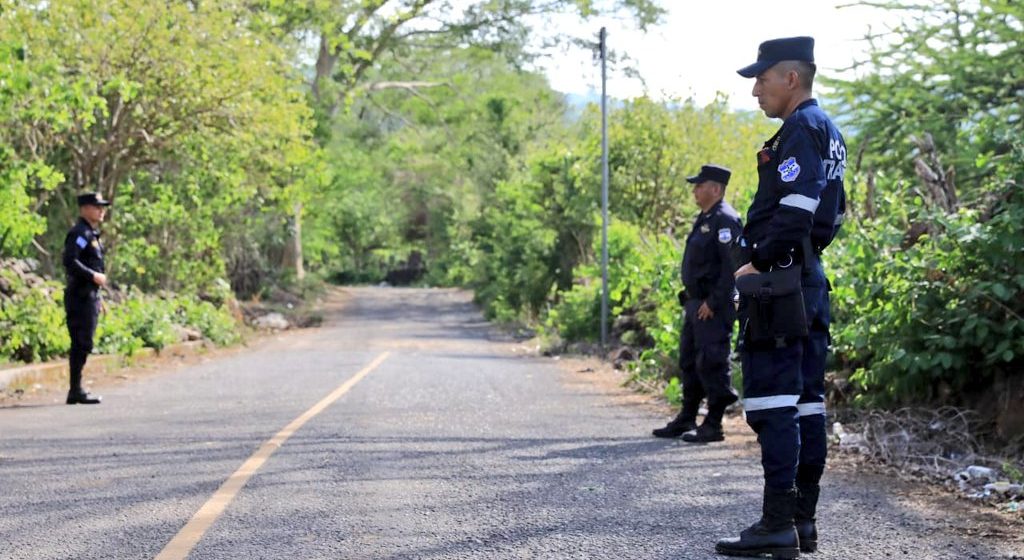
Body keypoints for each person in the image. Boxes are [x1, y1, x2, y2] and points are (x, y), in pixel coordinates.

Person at [716, 37, 846, 558]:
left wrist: (760, 264)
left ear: (791, 78)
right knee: (807, 404)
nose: (755, 91)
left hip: (782, 284)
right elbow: (831, 218)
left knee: (773, 403)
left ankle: (776, 525)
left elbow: (793, 212)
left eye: (762, 79)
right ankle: (801, 523)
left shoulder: (800, 129)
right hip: (808, 279)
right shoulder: (829, 131)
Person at [652, 164, 741, 443]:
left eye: (699, 185)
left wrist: (713, 302)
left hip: (711, 307)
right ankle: (687, 416)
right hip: (695, 305)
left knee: (712, 362)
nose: (694, 189)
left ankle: (714, 424)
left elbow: (732, 267)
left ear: (715, 189)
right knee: (690, 362)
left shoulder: (725, 219)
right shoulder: (706, 217)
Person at [62, 192, 112, 405]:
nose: (101, 210)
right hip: (80, 296)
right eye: (96, 206)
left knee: (85, 342)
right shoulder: (80, 233)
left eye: (102, 207)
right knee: (81, 342)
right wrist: (93, 276)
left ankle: (76, 388)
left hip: (89, 296)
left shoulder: (91, 234)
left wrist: (99, 298)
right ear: (84, 209)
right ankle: (75, 389)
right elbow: (69, 260)